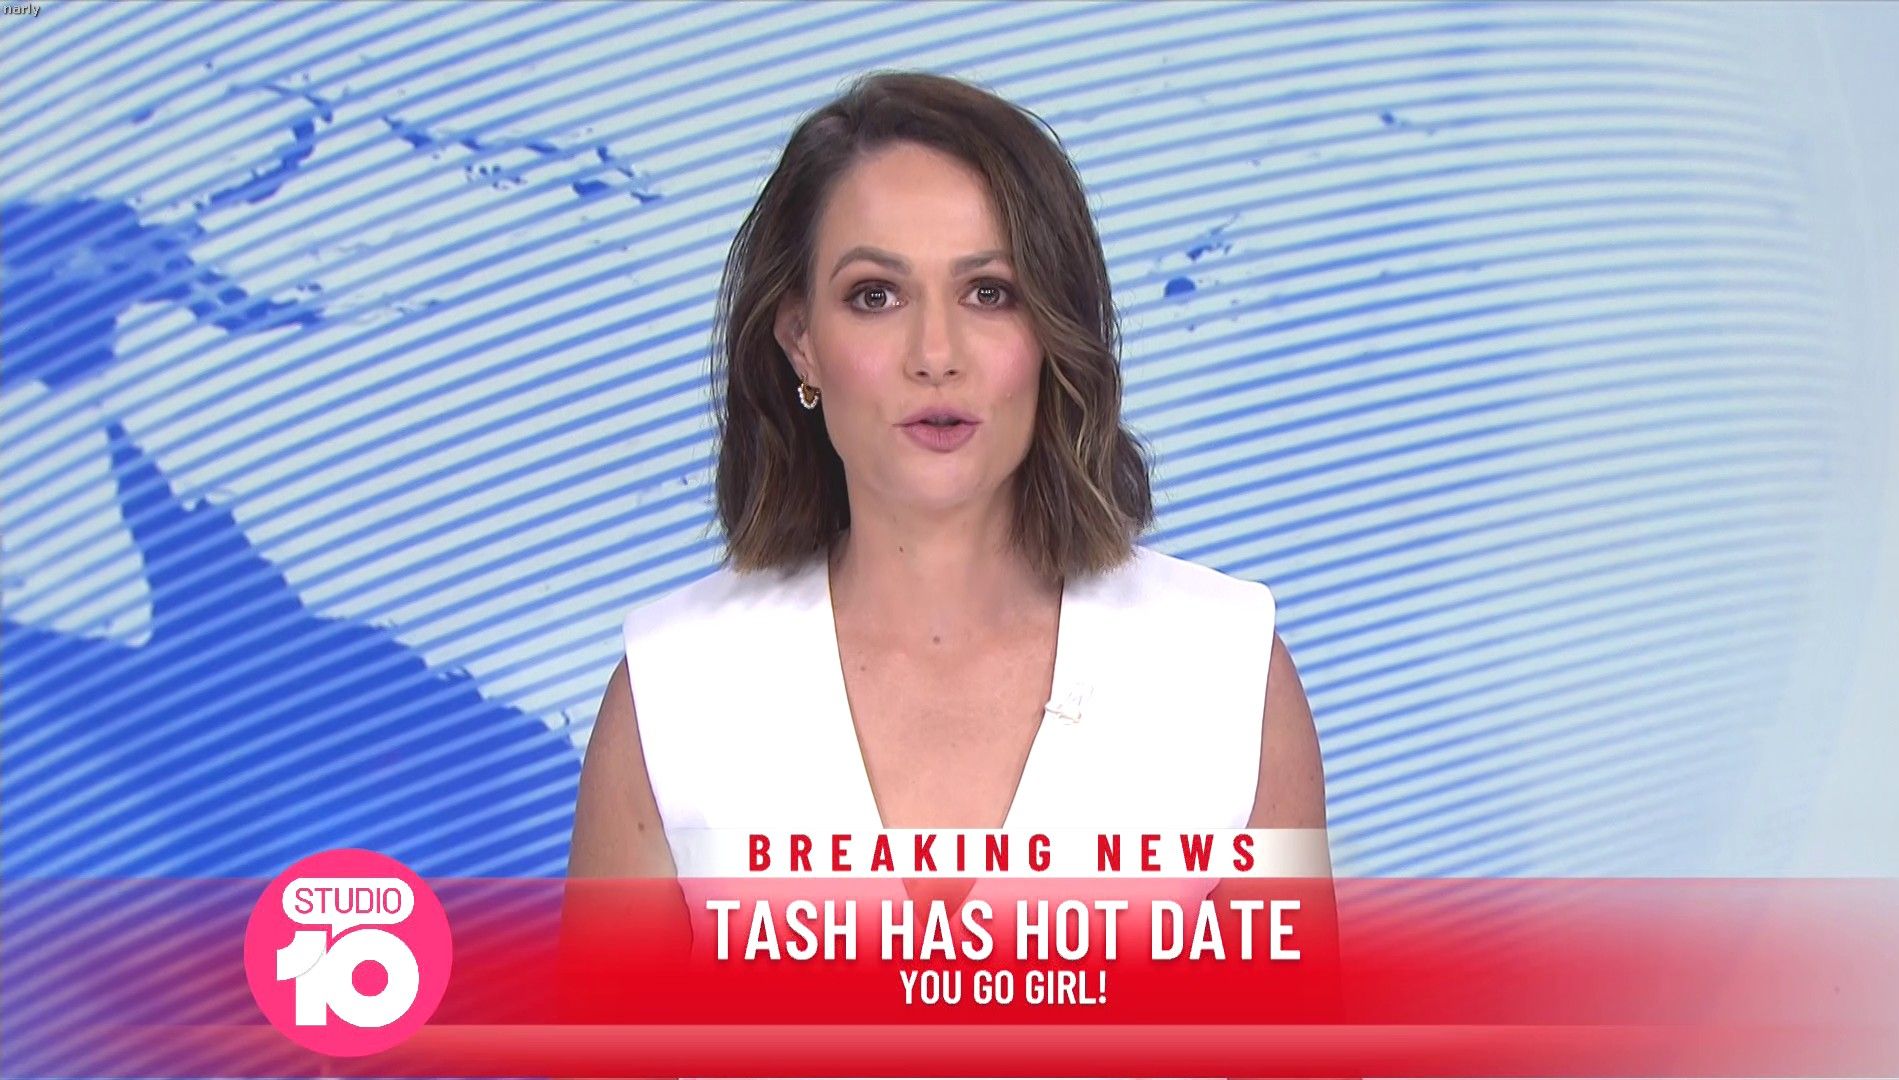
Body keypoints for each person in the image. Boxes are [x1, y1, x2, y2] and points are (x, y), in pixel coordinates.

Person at [566, 70, 1337, 1074]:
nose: (936, 353)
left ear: (1051, 330)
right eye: (875, 296)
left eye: (989, 292)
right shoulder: (674, 697)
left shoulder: (1223, 675)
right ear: (800, 341)